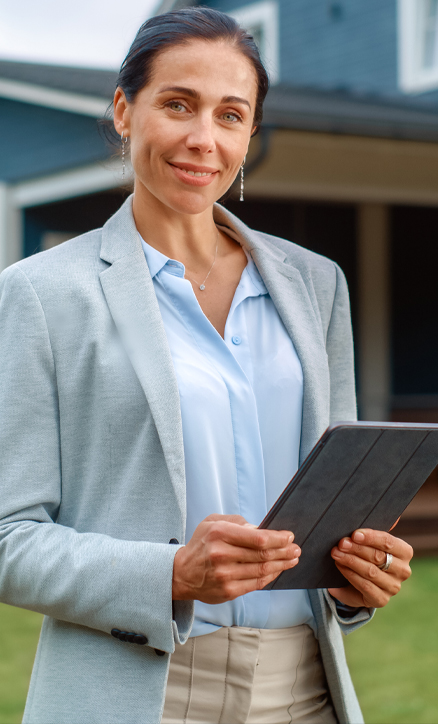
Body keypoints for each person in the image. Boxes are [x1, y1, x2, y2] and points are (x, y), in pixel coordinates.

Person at [0, 8, 413, 724]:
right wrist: (170, 574)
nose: (203, 139)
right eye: (178, 105)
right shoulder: (41, 295)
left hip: (306, 688)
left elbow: (338, 500)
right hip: (143, 690)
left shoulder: (317, 285)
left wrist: (355, 580)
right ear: (126, 111)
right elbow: (9, 536)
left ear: (250, 135)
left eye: (231, 115)